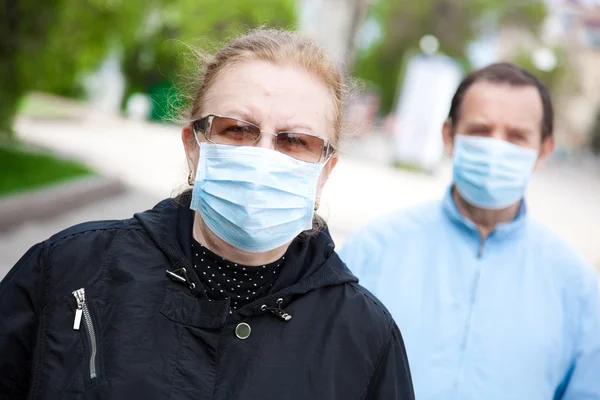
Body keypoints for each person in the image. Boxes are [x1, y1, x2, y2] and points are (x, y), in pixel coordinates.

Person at [0, 29, 414, 399]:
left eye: (295, 141)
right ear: (193, 147)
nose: (262, 156)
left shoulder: (365, 338)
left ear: (324, 171)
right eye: (237, 129)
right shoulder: (69, 269)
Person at [340, 63, 600, 399]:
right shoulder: (373, 250)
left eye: (516, 136)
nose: (496, 148)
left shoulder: (577, 289)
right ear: (449, 136)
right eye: (480, 130)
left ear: (543, 151)